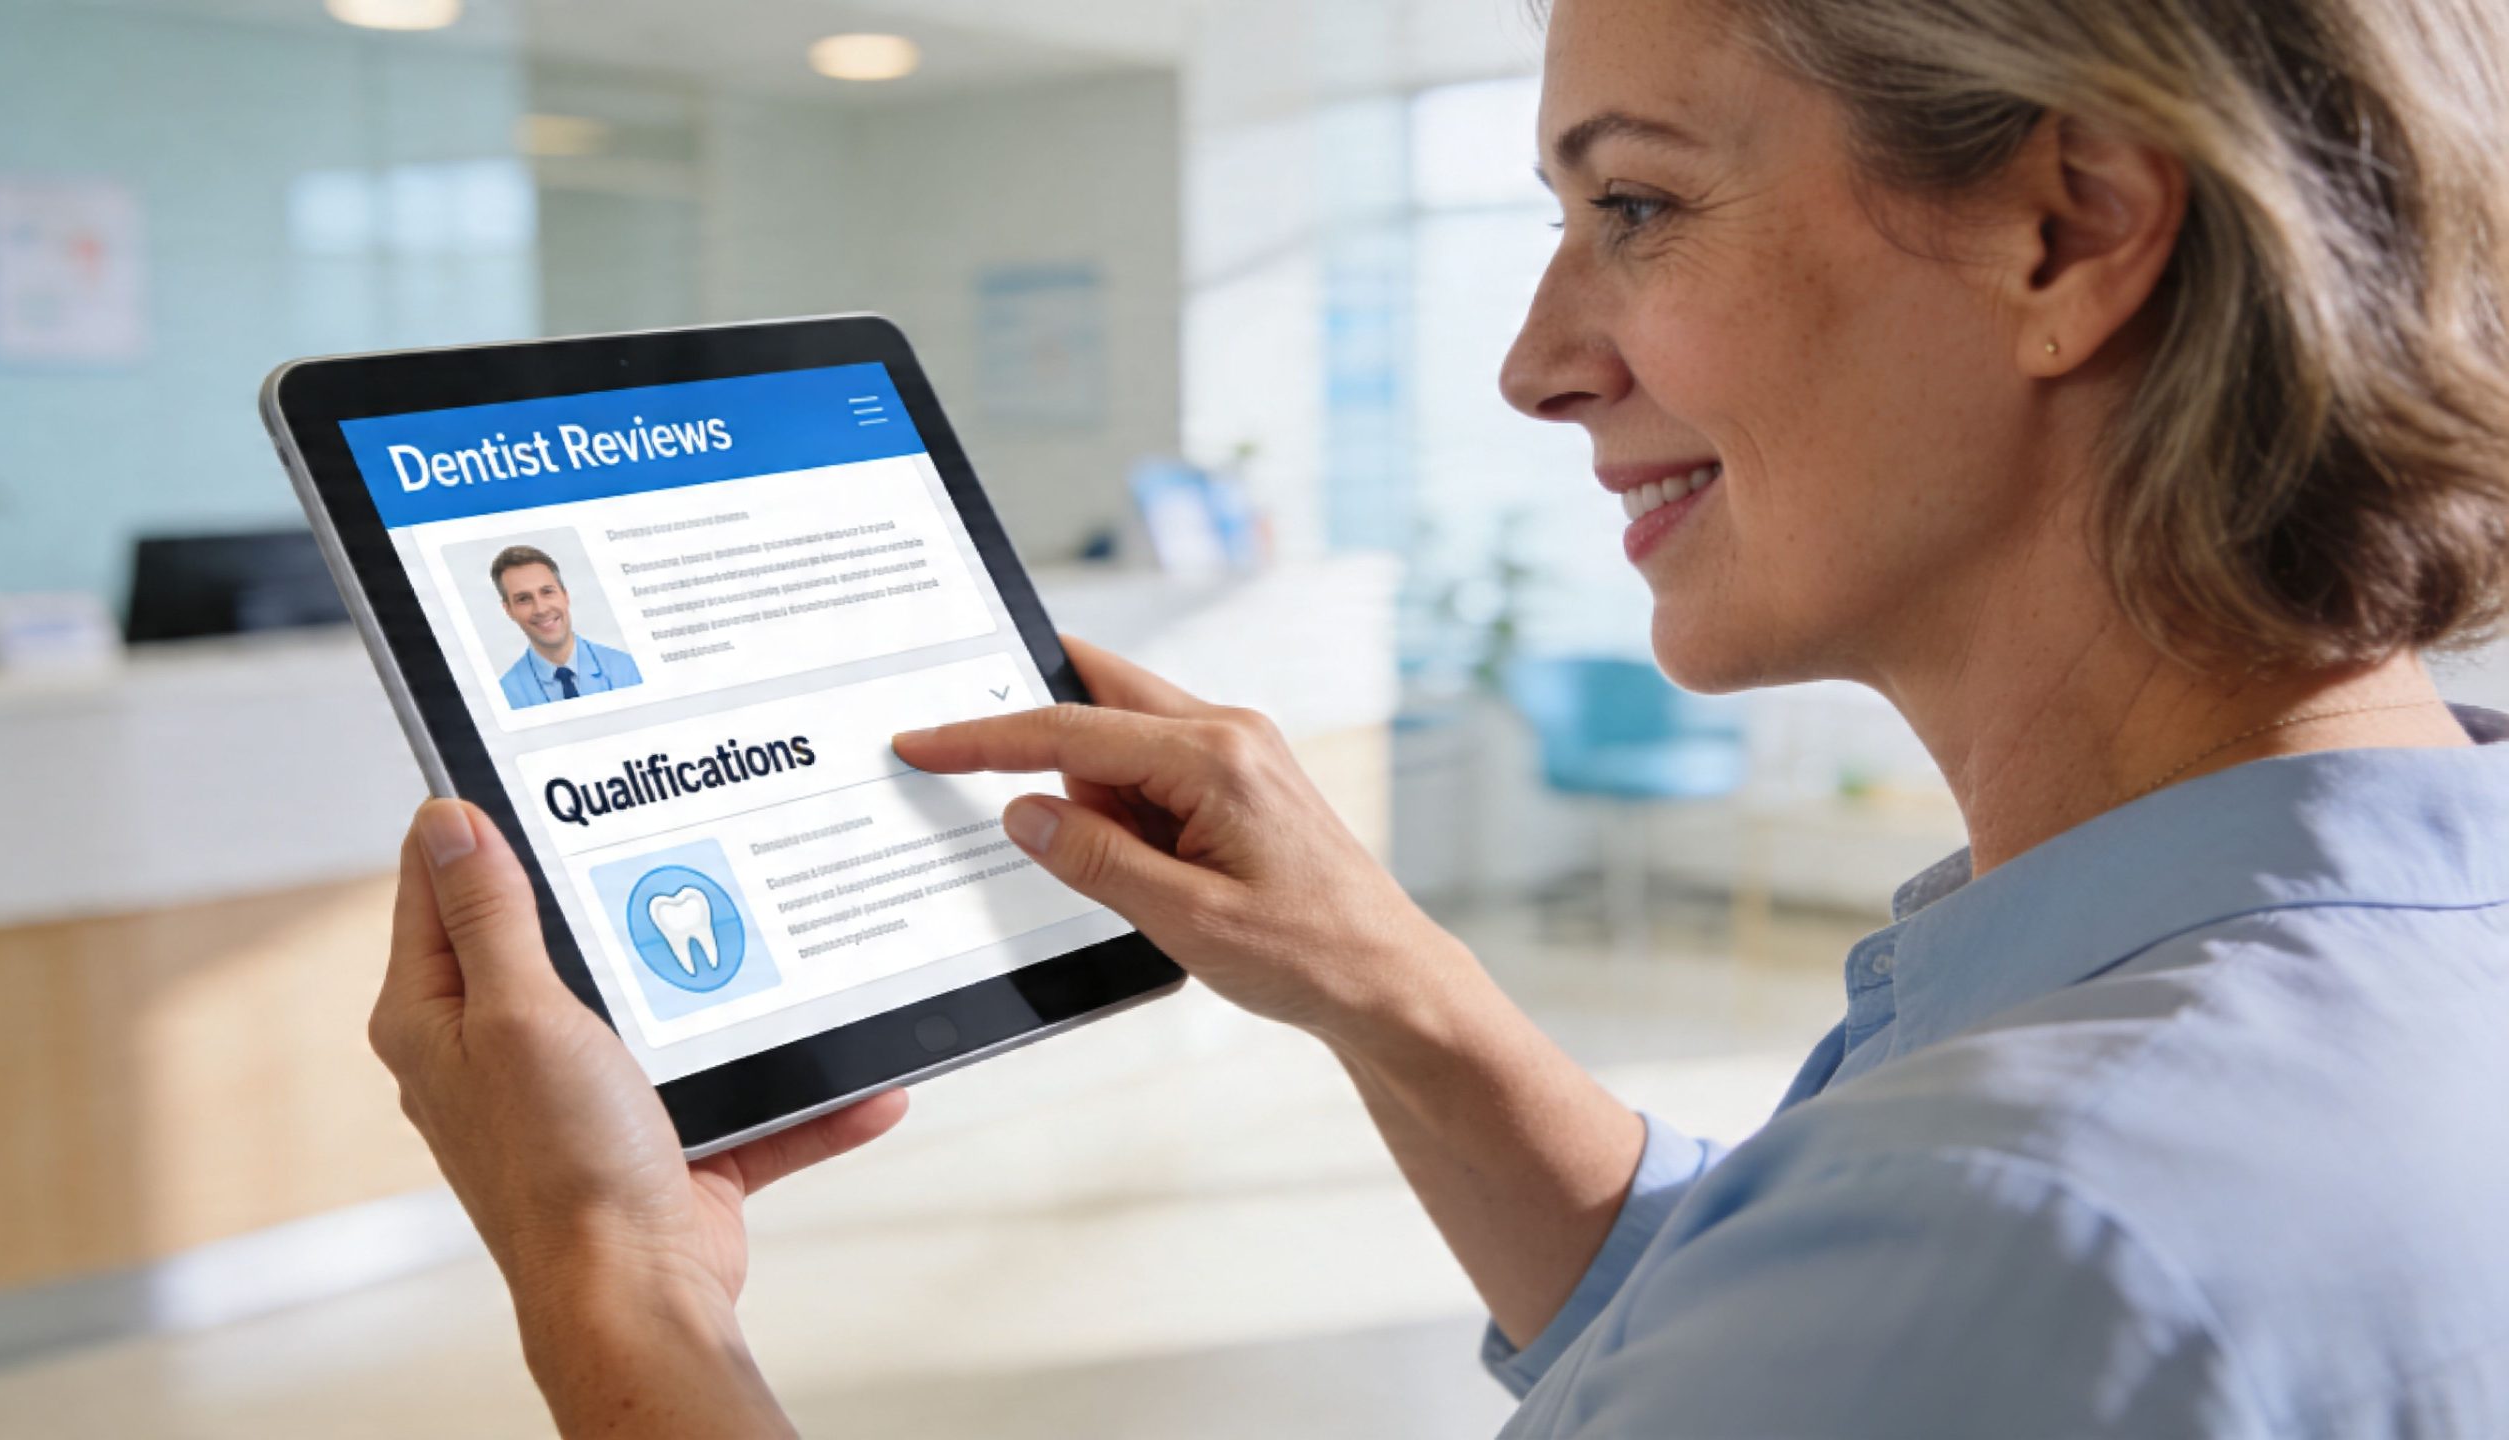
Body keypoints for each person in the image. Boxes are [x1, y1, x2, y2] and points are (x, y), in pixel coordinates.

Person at [371, 0, 2509, 1433]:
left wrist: (612, 1277)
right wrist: (1396, 993)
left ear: (2066, 232)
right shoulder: (2302, 973)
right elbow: (1758, 1315)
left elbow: (1929, 1297)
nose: (1535, 359)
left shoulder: (2034, 1216)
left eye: (1635, 205)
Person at [488, 544, 642, 709]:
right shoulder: (504, 697)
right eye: (523, 599)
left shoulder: (629, 669)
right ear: (509, 610)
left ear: (565, 595)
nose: (541, 609)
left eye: (547, 592)